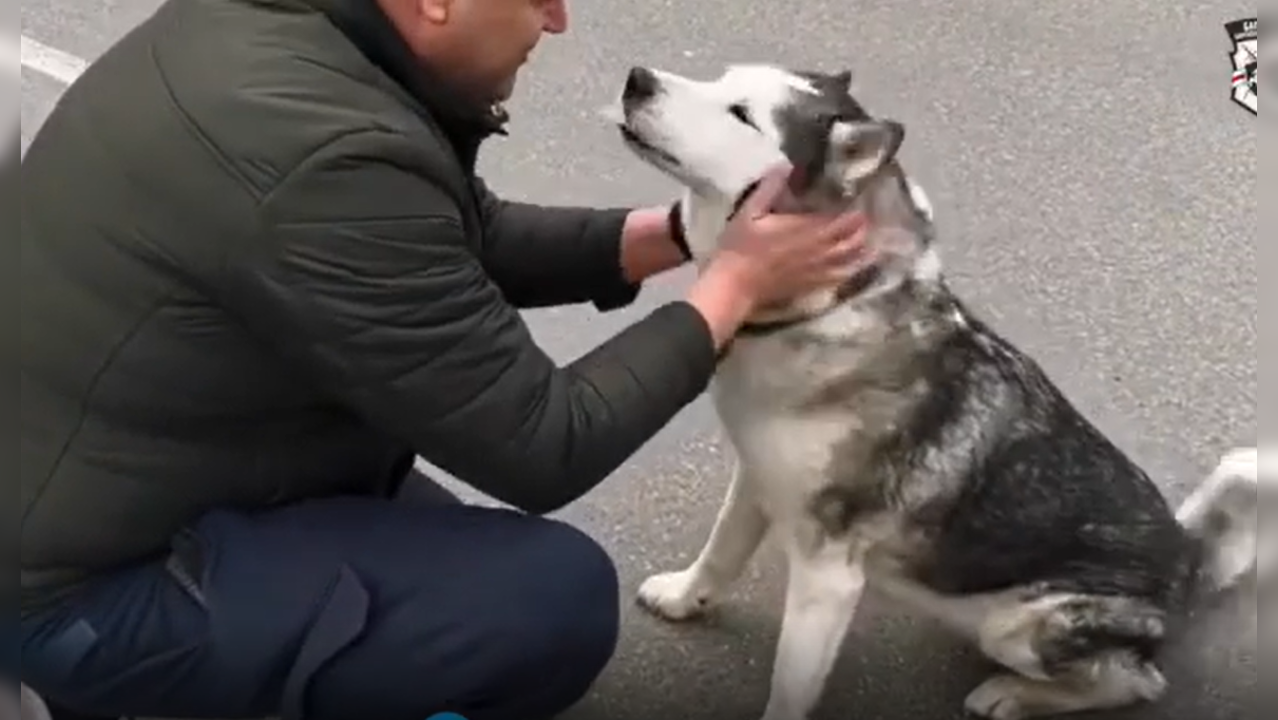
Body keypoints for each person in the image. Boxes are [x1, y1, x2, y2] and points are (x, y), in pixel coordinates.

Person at [13, 1, 873, 719]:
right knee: (547, 603)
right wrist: (732, 287)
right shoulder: (325, 160)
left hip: (134, 479)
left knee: (462, 567)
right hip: (88, 594)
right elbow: (543, 443)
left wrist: (677, 236)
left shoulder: (290, 35)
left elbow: (445, 233)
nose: (557, 18)